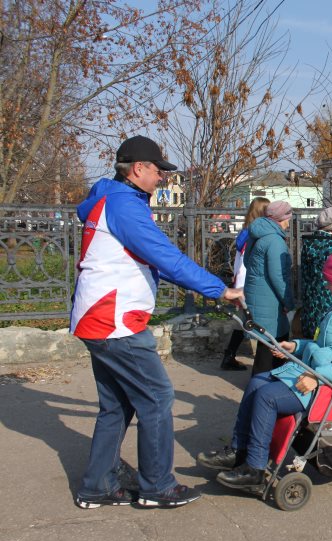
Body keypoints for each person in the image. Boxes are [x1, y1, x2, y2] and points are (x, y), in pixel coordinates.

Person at [71, 135, 243, 509]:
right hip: (114, 320)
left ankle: (97, 485)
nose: (162, 178)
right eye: (158, 170)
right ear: (138, 169)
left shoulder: (111, 199)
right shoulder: (123, 205)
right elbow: (164, 256)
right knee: (157, 397)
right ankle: (157, 487)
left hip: (98, 317)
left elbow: (147, 259)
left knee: (117, 404)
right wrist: (219, 289)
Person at [197, 251, 332, 488]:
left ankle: (255, 470)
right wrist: (297, 346)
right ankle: (240, 451)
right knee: (258, 382)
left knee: (267, 397)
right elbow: (328, 347)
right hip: (323, 376)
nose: (326, 284)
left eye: (330, 280)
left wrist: (317, 377)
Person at [244, 200, 295, 375]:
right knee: (274, 343)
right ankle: (264, 386)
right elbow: (278, 276)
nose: (289, 223)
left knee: (265, 342)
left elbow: (246, 262)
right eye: (288, 218)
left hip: (258, 293)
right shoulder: (275, 241)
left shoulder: (257, 233)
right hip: (270, 298)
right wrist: (288, 301)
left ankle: (261, 382)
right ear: (281, 219)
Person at [220, 197, 270, 371]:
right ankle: (233, 357)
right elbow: (245, 264)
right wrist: (242, 288)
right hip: (248, 284)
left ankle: (230, 355)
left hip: (243, 282)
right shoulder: (252, 235)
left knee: (244, 321)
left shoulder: (246, 232)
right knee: (252, 321)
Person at [300, 207, 332, 338]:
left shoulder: (308, 243)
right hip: (328, 302)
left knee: (310, 340)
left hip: (309, 300)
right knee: (324, 338)